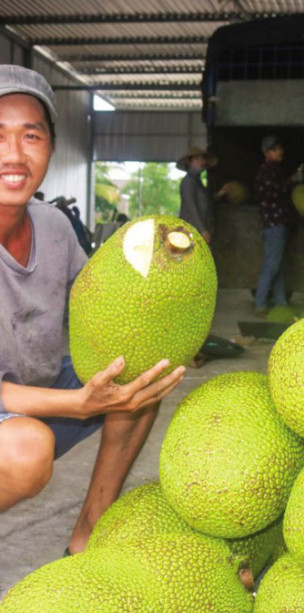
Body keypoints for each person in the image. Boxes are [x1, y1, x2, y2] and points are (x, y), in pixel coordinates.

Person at [0, 64, 185, 555]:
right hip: (14, 417)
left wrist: (167, 281)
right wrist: (77, 405)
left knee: (139, 381)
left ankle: (87, 537)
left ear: (51, 148)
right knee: (26, 451)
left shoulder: (55, 226)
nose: (14, 155)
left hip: (34, 390)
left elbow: (100, 301)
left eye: (31, 136)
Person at [253, 135, 303, 316]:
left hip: (276, 224)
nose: (280, 151)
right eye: (275, 149)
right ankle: (260, 303)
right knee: (271, 266)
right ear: (267, 153)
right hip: (274, 224)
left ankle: (281, 302)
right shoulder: (267, 171)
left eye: (280, 148)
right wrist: (293, 180)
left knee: (278, 265)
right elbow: (276, 192)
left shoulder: (273, 170)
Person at [176, 146, 232, 244]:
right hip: (191, 231)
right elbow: (191, 207)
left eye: (203, 158)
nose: (201, 161)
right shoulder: (188, 182)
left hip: (199, 230)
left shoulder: (198, 182)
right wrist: (203, 230)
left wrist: (221, 192)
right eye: (197, 159)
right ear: (189, 162)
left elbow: (206, 201)